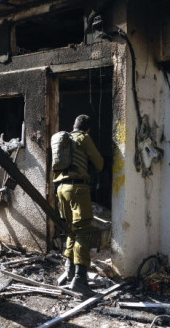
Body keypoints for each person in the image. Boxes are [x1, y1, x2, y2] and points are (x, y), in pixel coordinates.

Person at [53, 114, 104, 296]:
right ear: (87, 129)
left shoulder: (65, 138)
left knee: (71, 231)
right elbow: (99, 164)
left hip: (60, 189)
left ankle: (69, 272)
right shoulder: (84, 138)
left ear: (73, 125)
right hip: (77, 189)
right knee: (83, 232)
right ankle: (80, 280)